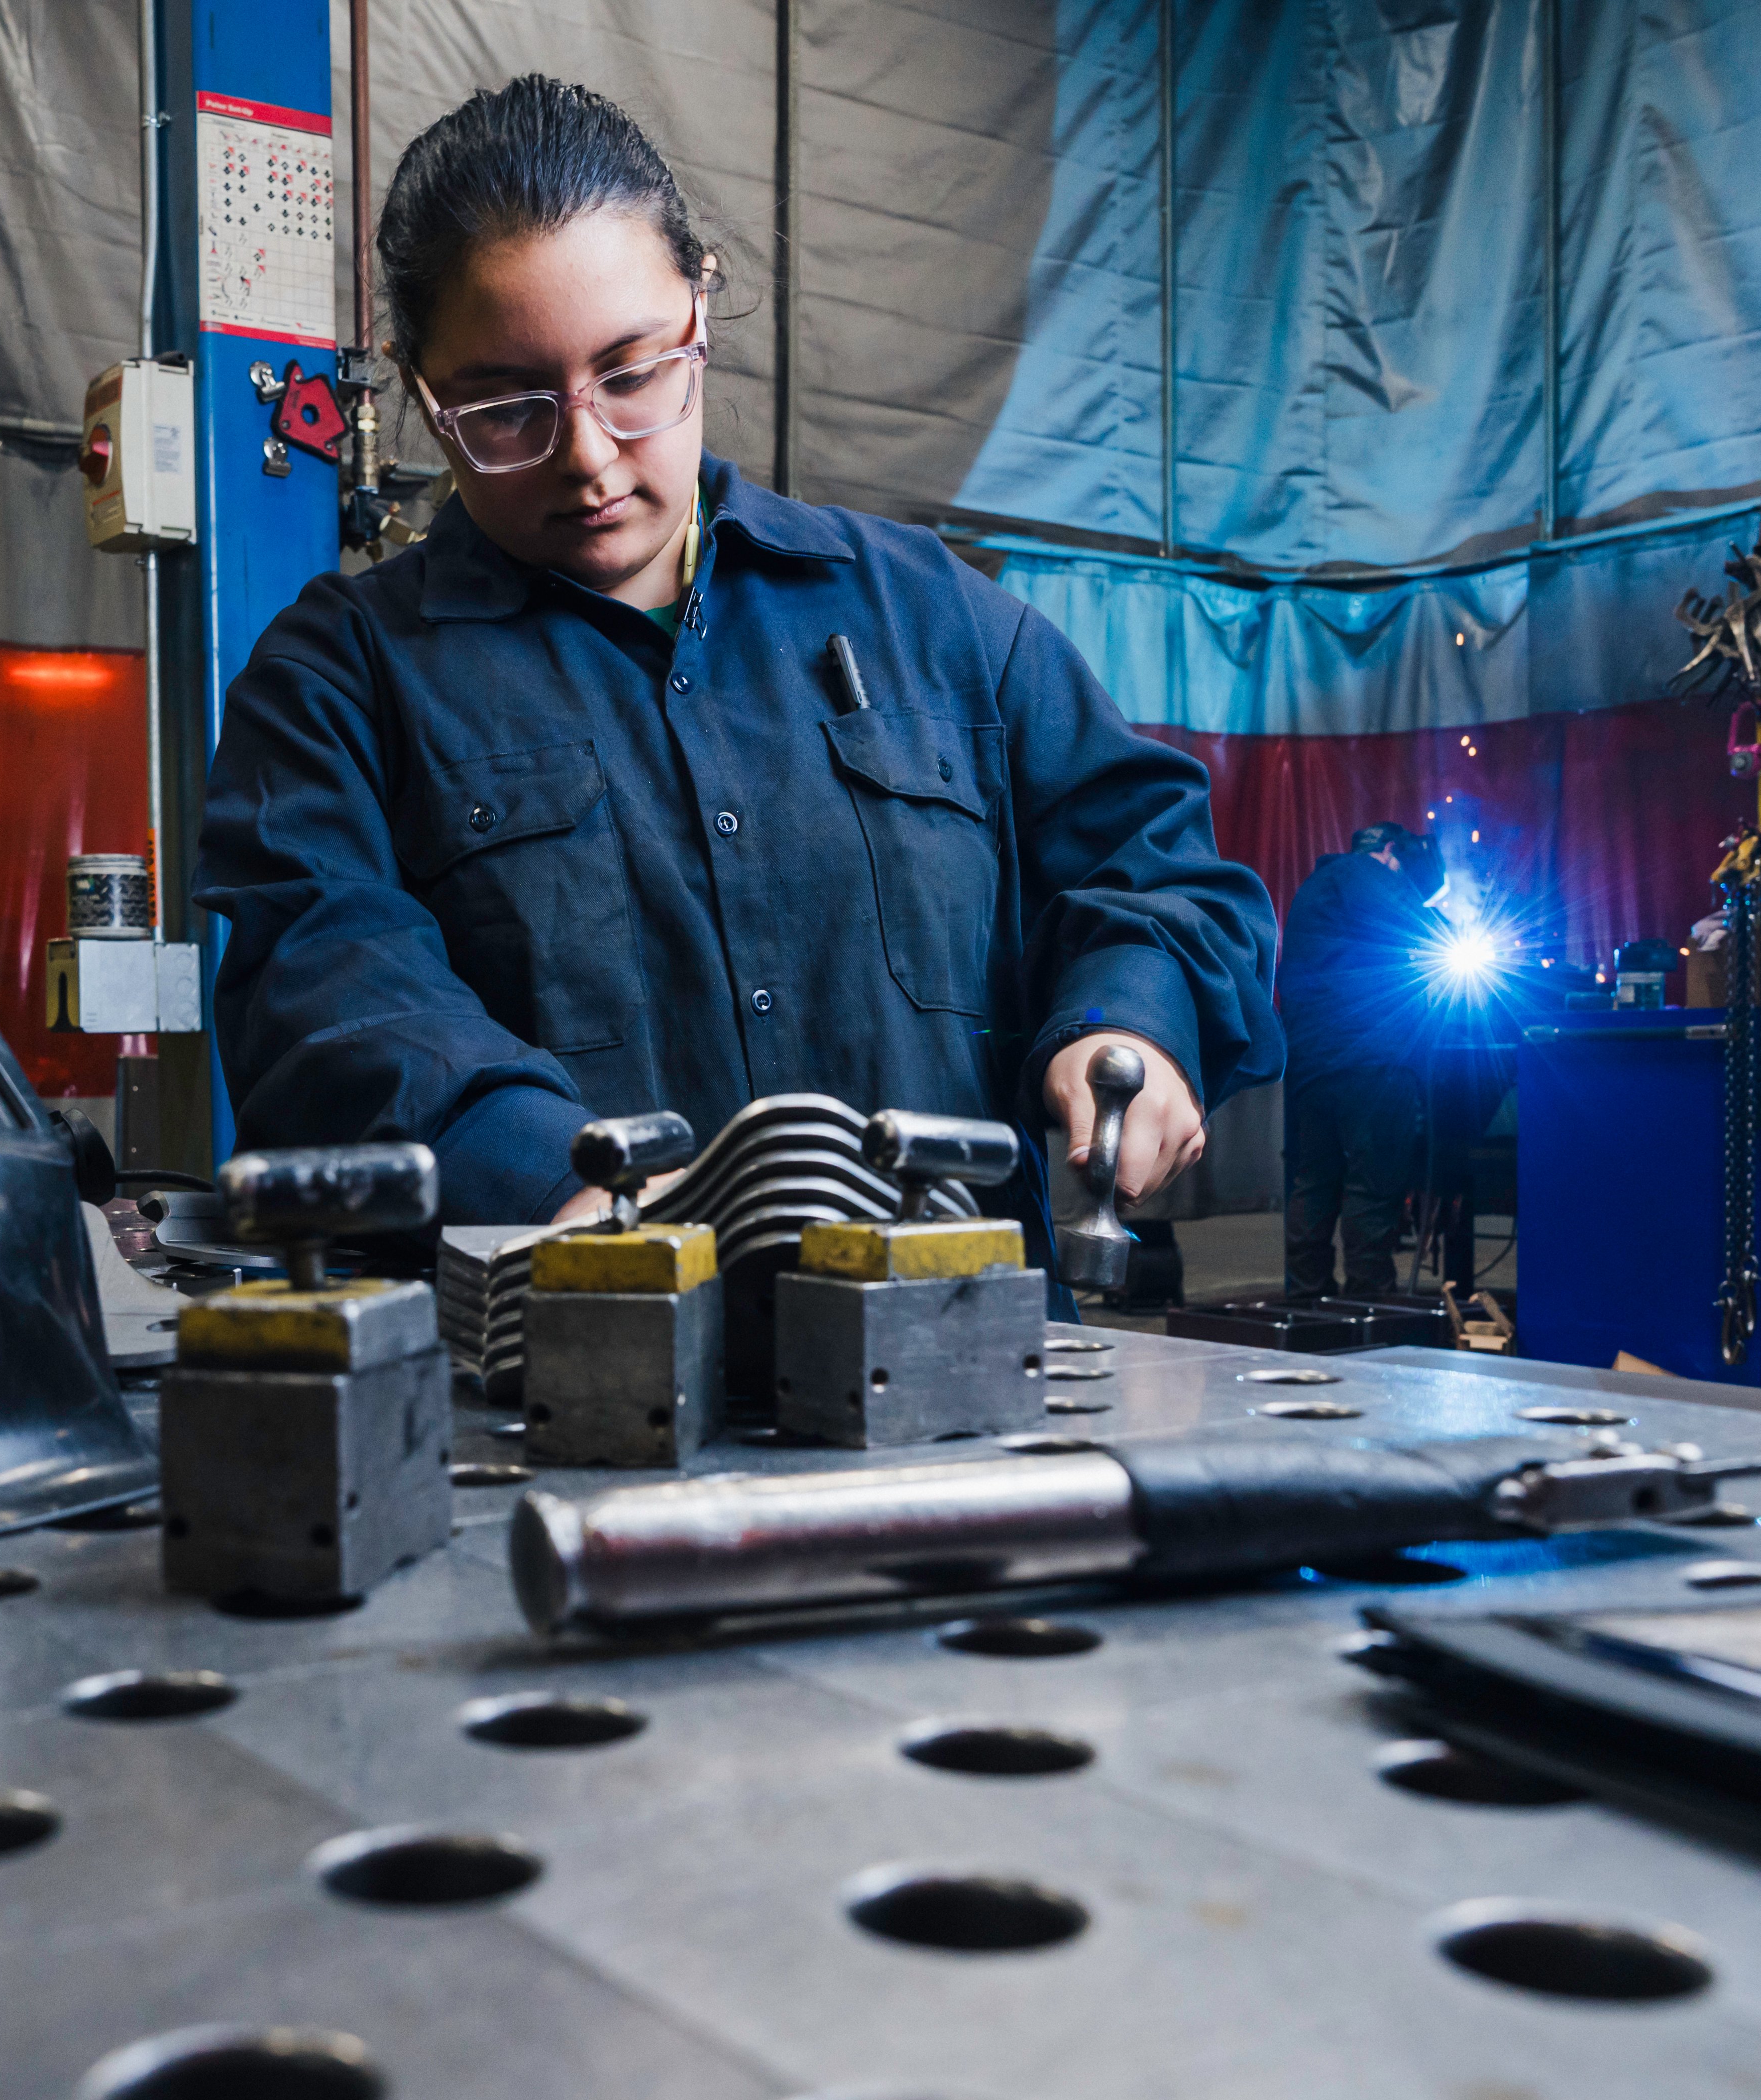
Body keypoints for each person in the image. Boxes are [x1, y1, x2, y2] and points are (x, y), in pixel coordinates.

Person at [195, 76, 1279, 1272]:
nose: (590, 456)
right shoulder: (340, 682)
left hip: (969, 1399)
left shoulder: (932, 617)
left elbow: (1156, 872)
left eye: (630, 372)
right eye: (506, 409)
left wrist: (1126, 1021)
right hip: (557, 1402)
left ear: (698, 305)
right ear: (419, 391)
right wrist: (571, 1180)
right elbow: (327, 988)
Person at [1276, 823, 1444, 1299]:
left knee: (1315, 1181)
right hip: (1370, 1059)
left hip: (1312, 1063)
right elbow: (1418, 925)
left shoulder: (1319, 885)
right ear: (1391, 852)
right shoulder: (1366, 871)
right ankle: (1372, 1305)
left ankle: (1307, 1301)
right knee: (1373, 1185)